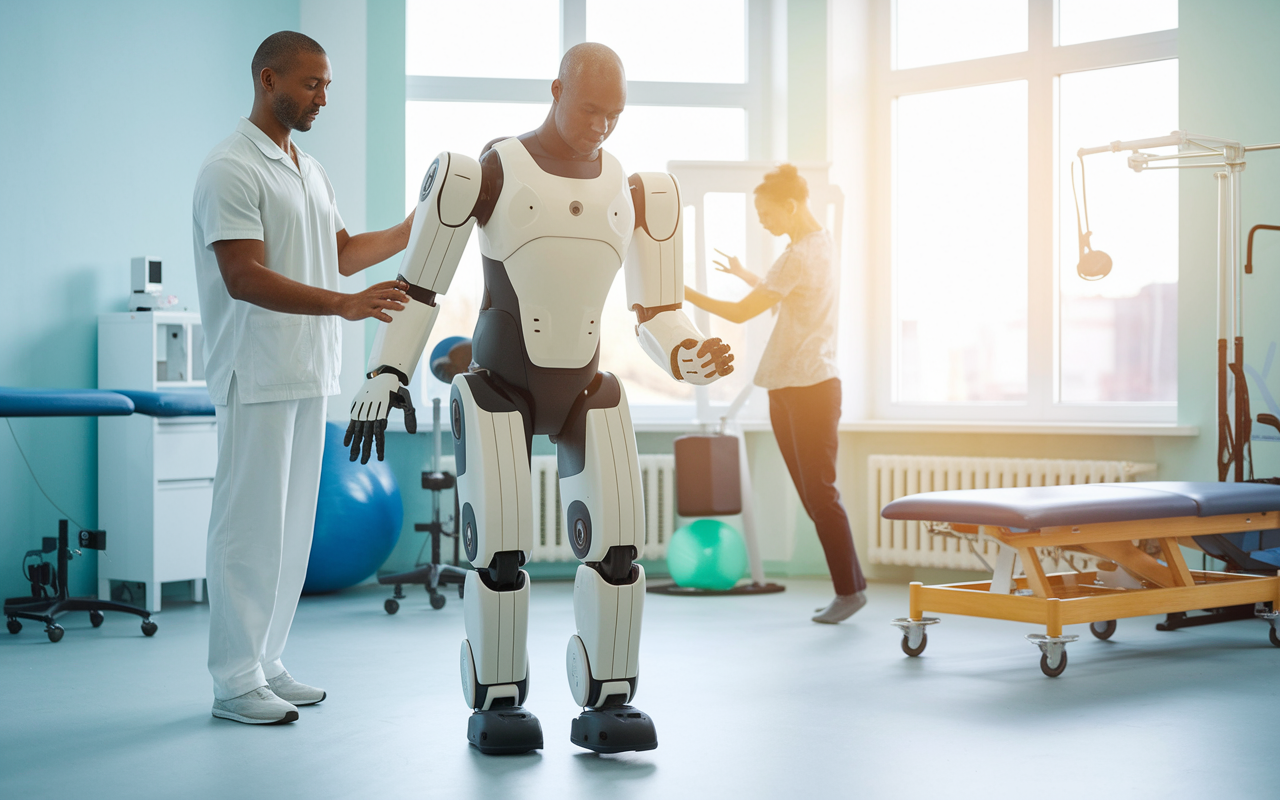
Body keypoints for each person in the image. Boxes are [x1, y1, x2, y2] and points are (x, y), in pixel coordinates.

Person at [345, 43, 732, 754]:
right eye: (590, 109)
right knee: (498, 556)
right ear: (556, 89)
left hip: (587, 387)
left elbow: (658, 311)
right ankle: (498, 703)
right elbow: (422, 286)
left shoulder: (639, 190)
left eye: (615, 114)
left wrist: (689, 353)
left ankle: (609, 703)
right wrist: (386, 373)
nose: (602, 127)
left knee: (618, 552)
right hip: (499, 386)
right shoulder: (485, 172)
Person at [191, 31, 414, 725]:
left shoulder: (308, 168)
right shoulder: (232, 167)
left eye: (327, 85)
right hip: (254, 372)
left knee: (290, 532)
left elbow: (341, 253)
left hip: (308, 370)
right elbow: (243, 274)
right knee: (247, 530)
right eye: (312, 84)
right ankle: (233, 679)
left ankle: (267, 661)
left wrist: (415, 227)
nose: (323, 96)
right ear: (269, 80)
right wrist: (344, 307)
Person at [683, 164, 868, 624]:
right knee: (814, 497)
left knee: (820, 496)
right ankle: (852, 589)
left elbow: (744, 313)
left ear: (790, 205)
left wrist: (682, 292)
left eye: (766, 213)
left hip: (808, 388)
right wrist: (748, 273)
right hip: (793, 385)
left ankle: (850, 591)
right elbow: (788, 294)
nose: (762, 221)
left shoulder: (798, 256)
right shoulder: (817, 246)